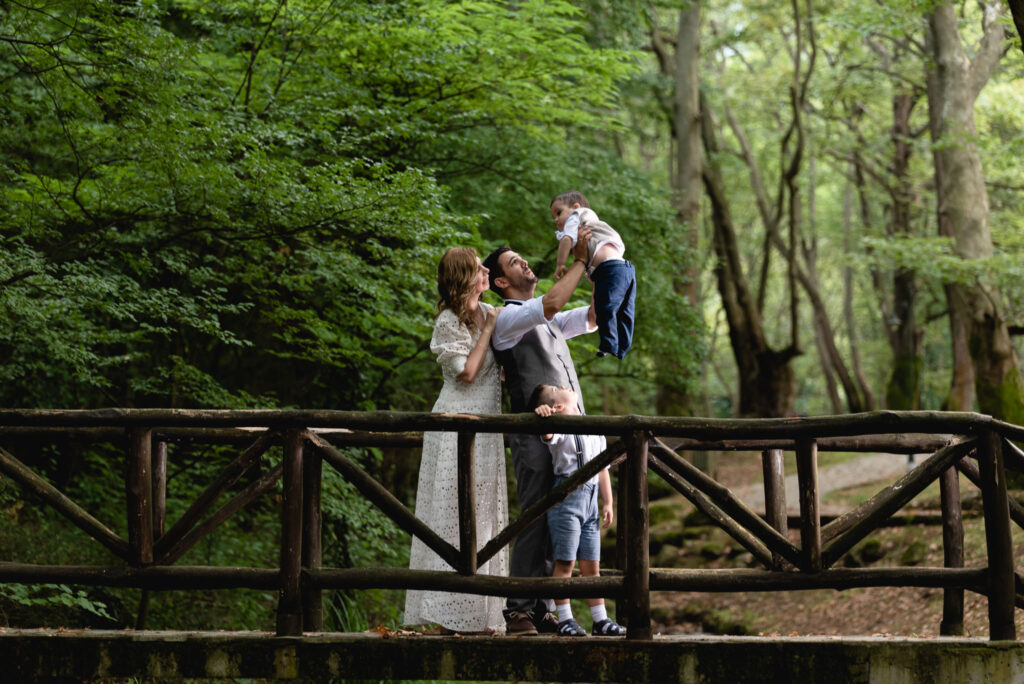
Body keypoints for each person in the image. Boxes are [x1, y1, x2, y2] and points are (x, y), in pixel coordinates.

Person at [482, 229, 595, 636]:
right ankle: (518, 611)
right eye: (515, 263)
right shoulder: (509, 319)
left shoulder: (551, 322)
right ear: (500, 282)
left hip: (569, 437)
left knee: (561, 518)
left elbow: (594, 316)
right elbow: (550, 302)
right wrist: (578, 261)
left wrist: (602, 264)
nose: (525, 263)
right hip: (532, 434)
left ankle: (547, 606)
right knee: (533, 517)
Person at [403, 247, 508, 635]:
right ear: (463, 276)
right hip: (454, 425)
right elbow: (465, 372)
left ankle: (483, 616)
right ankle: (448, 616)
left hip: (487, 425)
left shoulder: (489, 312)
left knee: (484, 516)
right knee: (451, 515)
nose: (485, 270)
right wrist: (489, 331)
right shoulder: (449, 320)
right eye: (478, 267)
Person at [531, 383, 626, 637]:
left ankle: (600, 619)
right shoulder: (559, 427)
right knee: (566, 561)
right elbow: (548, 437)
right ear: (558, 406)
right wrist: (544, 416)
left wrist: (608, 502)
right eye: (555, 387)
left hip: (592, 501)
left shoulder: (595, 430)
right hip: (567, 499)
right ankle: (565, 619)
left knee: (591, 564)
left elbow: (603, 468)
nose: (563, 384)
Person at [550, 190, 636, 360]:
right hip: (625, 269)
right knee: (625, 312)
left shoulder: (576, 216)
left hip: (610, 268)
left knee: (607, 308)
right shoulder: (590, 225)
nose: (556, 219)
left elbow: (567, 239)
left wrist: (560, 264)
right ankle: (622, 348)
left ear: (575, 207)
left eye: (559, 212)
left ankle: (608, 344)